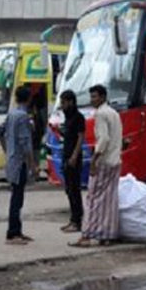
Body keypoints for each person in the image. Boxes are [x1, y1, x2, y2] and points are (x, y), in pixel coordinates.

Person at [69, 85, 122, 247]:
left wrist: (93, 161)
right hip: (115, 161)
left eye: (95, 97)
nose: (93, 100)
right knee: (109, 199)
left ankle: (86, 235)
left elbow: (104, 140)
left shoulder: (100, 114)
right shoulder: (114, 113)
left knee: (93, 198)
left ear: (103, 97)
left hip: (103, 162)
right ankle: (106, 235)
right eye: (91, 97)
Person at [2, 86, 35, 245]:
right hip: (19, 161)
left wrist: (7, 149)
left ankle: (17, 230)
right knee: (17, 198)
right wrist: (32, 164)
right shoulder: (23, 116)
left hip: (12, 159)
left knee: (17, 196)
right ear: (28, 99)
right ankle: (13, 233)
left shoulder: (12, 114)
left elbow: (0, 132)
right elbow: (25, 143)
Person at [59, 90, 85, 233]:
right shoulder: (67, 118)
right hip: (66, 155)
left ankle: (77, 220)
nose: (62, 106)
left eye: (64, 102)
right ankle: (72, 219)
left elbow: (80, 138)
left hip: (73, 158)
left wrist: (74, 156)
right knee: (69, 190)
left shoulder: (78, 117)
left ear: (71, 102)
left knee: (75, 189)